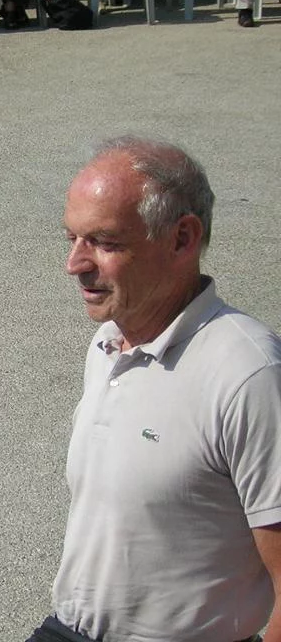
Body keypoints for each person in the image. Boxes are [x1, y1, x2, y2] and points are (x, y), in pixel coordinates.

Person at [27, 136, 281, 642]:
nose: (74, 264)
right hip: (68, 630)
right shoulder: (108, 342)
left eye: (104, 242)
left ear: (182, 238)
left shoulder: (248, 374)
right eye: (72, 238)